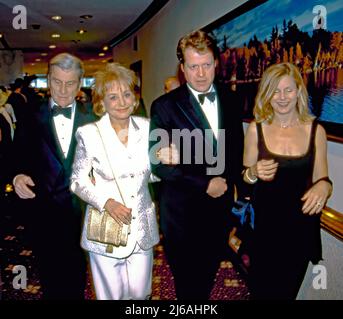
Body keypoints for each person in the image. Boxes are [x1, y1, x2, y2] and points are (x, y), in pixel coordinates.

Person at [149, 30, 244, 299]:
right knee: (188, 285)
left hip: (219, 212)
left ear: (216, 63)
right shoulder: (164, 106)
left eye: (206, 65)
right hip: (182, 215)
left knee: (206, 280)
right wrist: (205, 184)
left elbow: (234, 150)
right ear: (182, 68)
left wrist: (236, 184)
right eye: (193, 66)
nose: (200, 74)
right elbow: (158, 164)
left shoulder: (231, 98)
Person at [70, 62, 162, 300]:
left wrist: (166, 163)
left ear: (134, 98)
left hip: (142, 226)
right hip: (105, 228)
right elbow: (78, 180)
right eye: (113, 96)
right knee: (111, 295)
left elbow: (152, 174)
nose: (121, 102)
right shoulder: (89, 134)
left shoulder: (150, 127)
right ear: (102, 102)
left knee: (141, 294)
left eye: (126, 94)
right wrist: (106, 202)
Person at [243, 62, 333, 299]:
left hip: (300, 232)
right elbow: (243, 180)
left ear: (299, 92)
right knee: (261, 293)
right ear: (266, 94)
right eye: (275, 90)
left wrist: (325, 185)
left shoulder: (316, 130)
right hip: (265, 231)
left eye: (288, 90)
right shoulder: (256, 129)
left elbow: (321, 178)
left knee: (286, 294)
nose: (282, 97)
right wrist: (252, 172)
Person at [12, 53, 96, 299]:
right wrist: (17, 176)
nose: (62, 89)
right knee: (50, 279)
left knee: (79, 278)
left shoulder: (93, 117)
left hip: (82, 211)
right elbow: (16, 155)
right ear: (48, 80)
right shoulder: (30, 114)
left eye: (70, 83)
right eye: (57, 81)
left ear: (79, 84)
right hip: (44, 212)